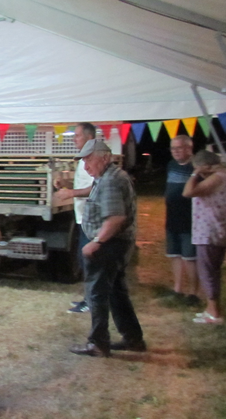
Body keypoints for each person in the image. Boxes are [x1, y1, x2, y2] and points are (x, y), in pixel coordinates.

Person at [69, 140, 145, 357]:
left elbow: (116, 218)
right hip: (117, 244)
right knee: (116, 293)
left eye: (88, 159)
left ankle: (98, 343)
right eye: (83, 161)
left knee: (97, 293)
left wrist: (96, 242)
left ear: (103, 157)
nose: (85, 166)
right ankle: (133, 339)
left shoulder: (110, 180)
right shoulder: (110, 177)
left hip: (110, 245)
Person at [182, 150, 226, 324]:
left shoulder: (218, 178)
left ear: (205, 166)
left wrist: (194, 174)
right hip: (221, 228)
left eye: (197, 167)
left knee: (207, 271)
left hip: (210, 230)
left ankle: (214, 312)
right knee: (212, 270)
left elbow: (188, 192)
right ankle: (211, 308)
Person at [54, 122, 96, 313]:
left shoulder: (95, 158)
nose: (74, 139)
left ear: (88, 137)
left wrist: (70, 193)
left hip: (91, 218)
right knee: (84, 259)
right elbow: (82, 183)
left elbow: (96, 188)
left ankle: (92, 301)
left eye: (77, 136)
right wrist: (66, 182)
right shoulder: (83, 159)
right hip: (82, 218)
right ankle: (88, 298)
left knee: (90, 260)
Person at [164, 135, 198, 303]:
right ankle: (177, 288)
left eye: (179, 148)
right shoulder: (171, 165)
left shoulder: (196, 167)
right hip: (172, 217)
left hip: (190, 218)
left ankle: (193, 293)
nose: (175, 152)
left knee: (189, 257)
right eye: (172, 149)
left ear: (188, 148)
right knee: (174, 254)